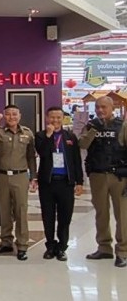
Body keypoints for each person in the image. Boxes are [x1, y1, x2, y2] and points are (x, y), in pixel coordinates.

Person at [79, 96, 127, 267]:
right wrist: (94, 130)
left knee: (122, 215)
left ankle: (123, 251)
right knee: (101, 213)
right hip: (97, 175)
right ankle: (104, 247)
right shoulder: (91, 126)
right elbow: (82, 145)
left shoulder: (122, 126)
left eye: (104, 107)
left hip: (119, 176)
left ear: (112, 108)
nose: (100, 110)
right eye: (98, 107)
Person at [0, 104, 37, 261]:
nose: (11, 117)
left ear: (19, 116)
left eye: (14, 114)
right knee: (4, 211)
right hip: (2, 176)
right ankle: (6, 242)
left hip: (20, 176)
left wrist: (33, 176)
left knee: (21, 211)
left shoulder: (27, 133)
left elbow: (31, 157)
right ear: (4, 116)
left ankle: (22, 245)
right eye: (8, 114)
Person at [35, 106, 83, 262]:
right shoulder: (40, 135)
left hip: (65, 183)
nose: (55, 120)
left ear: (63, 119)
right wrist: (49, 136)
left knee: (65, 217)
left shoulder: (70, 137)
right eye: (52, 117)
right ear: (47, 118)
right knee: (48, 216)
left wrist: (79, 181)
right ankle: (50, 246)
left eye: (58, 117)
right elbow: (42, 153)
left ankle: (62, 247)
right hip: (47, 183)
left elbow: (76, 160)